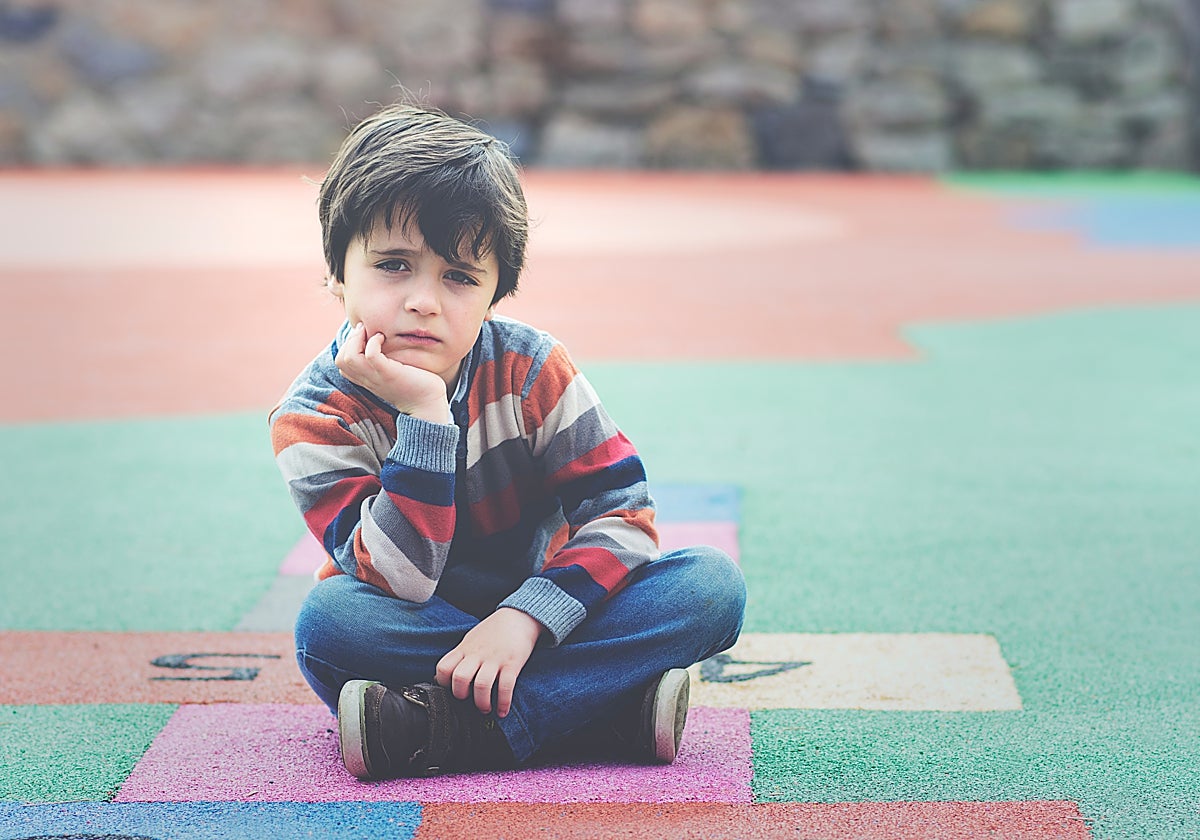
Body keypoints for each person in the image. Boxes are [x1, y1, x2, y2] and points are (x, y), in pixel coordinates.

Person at [269, 103, 746, 780]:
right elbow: (399, 581)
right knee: (330, 626)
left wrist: (523, 620)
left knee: (709, 589)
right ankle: (603, 709)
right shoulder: (316, 417)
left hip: (554, 610)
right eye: (394, 265)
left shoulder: (532, 369)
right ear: (338, 270)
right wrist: (427, 420)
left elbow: (625, 520)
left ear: (496, 294)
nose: (424, 301)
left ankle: (446, 731)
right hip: (415, 625)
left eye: (460, 277)